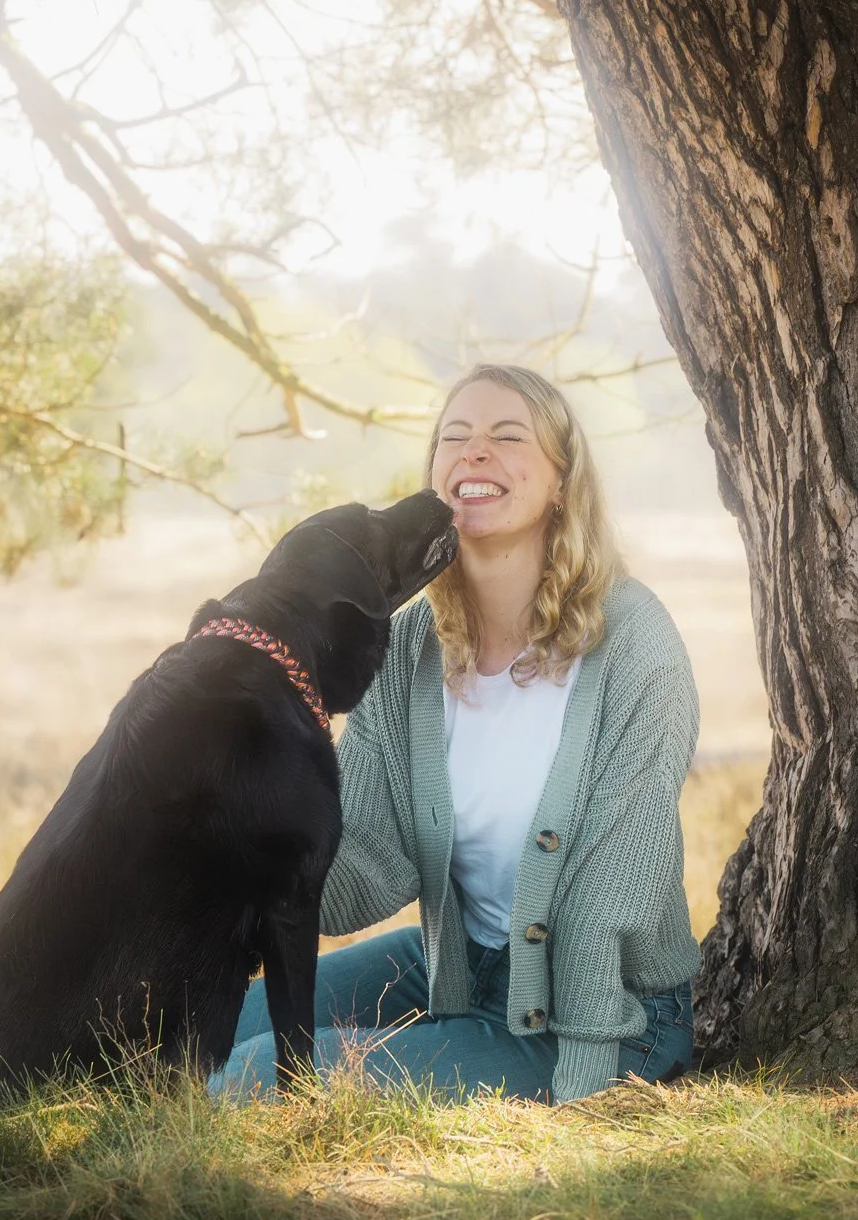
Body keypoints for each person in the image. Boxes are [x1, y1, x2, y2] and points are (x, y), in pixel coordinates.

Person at [212, 363, 700, 1104]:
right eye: (454, 438)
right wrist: (243, 859)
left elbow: (613, 892)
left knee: (258, 1075)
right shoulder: (408, 646)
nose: (474, 453)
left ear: (563, 481)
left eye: (507, 437)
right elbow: (362, 858)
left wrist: (586, 1087)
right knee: (201, 1028)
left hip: (601, 1012)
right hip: (457, 966)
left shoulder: (632, 641)